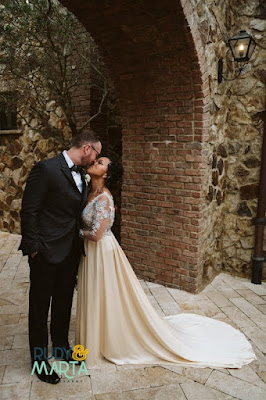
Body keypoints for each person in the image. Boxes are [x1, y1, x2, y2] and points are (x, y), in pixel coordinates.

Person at [76, 157, 256, 370]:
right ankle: (99, 333)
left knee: (105, 293)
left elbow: (96, 235)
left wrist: (71, 232)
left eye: (101, 162)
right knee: (98, 294)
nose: (95, 162)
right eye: (96, 160)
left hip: (101, 251)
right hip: (91, 252)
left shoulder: (104, 198)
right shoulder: (89, 192)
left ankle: (110, 337)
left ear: (106, 174)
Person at [19, 130, 102, 384]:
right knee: (39, 306)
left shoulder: (83, 176)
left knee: (64, 302)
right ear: (87, 148)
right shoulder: (46, 169)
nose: (96, 159)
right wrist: (34, 248)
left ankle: (62, 347)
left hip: (70, 251)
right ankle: (40, 361)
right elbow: (29, 210)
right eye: (97, 153)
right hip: (45, 251)